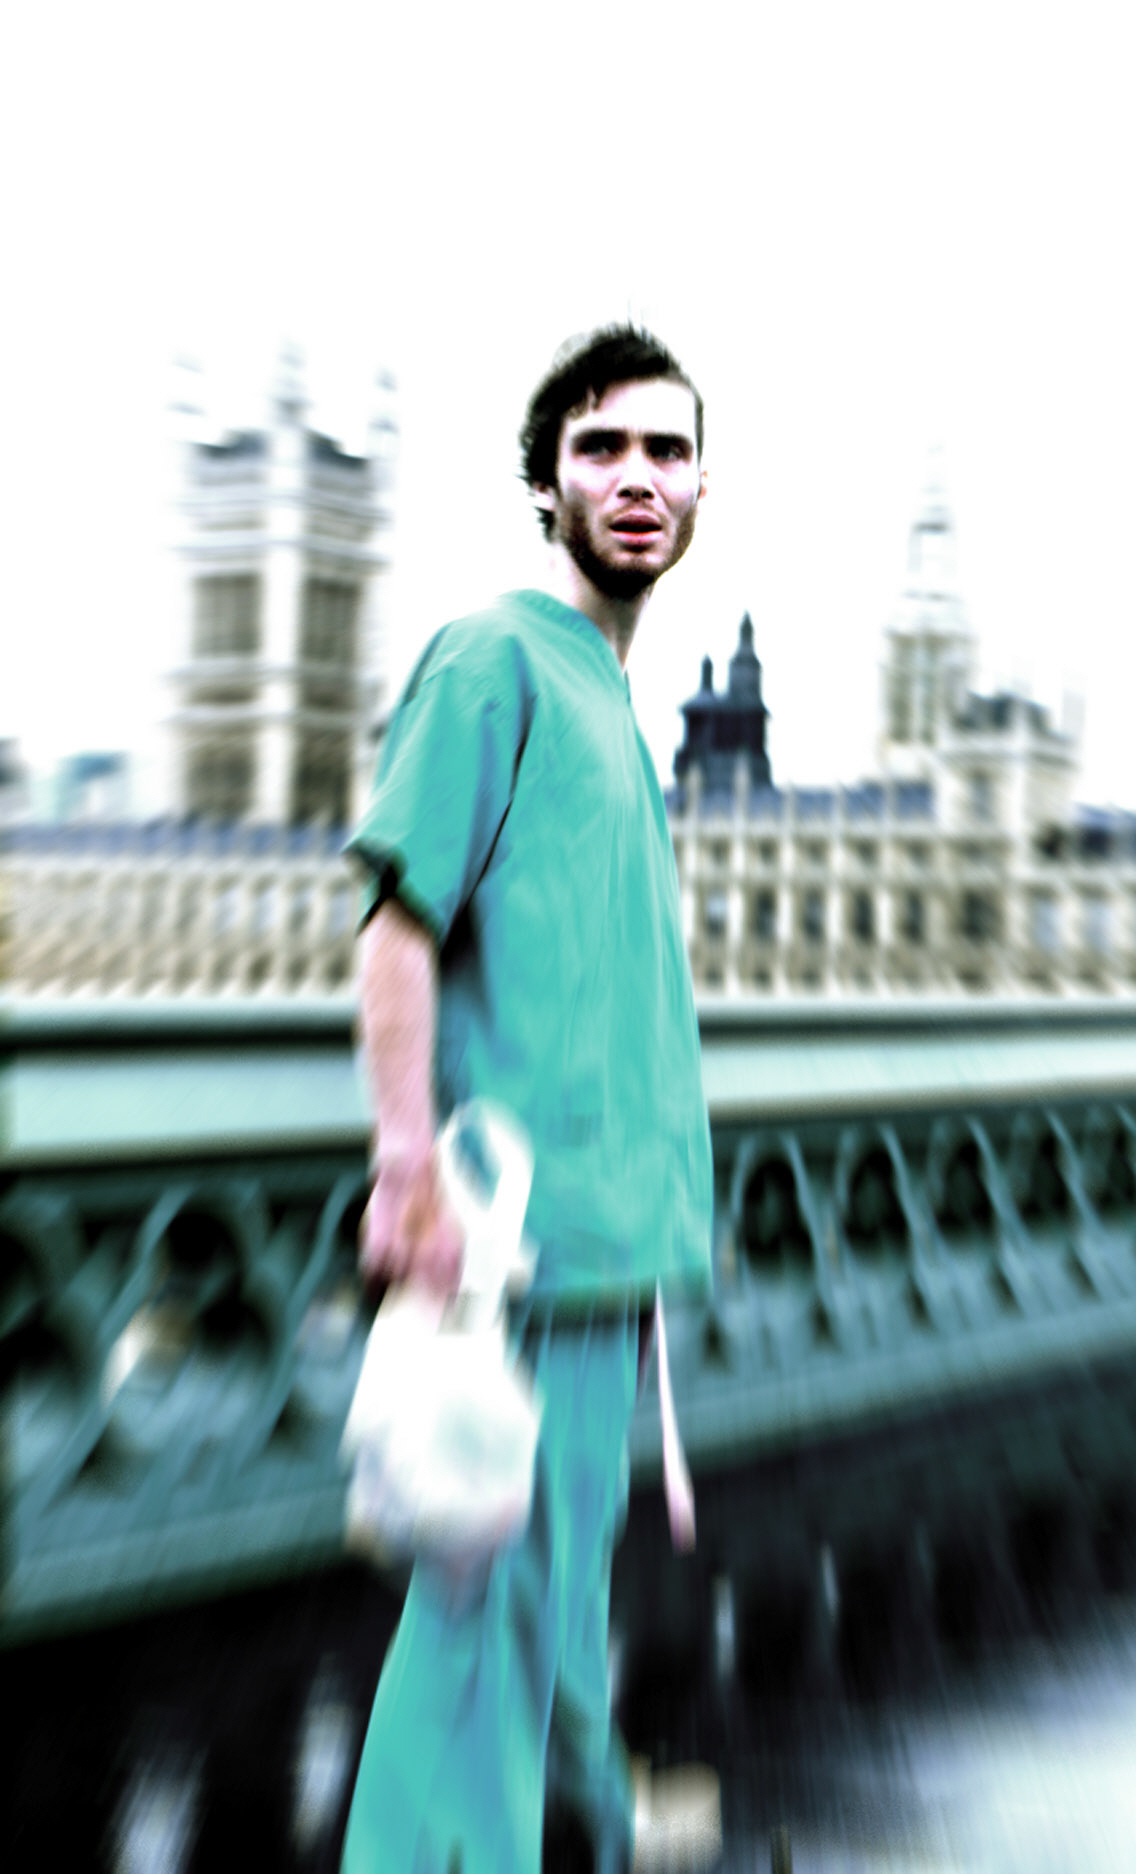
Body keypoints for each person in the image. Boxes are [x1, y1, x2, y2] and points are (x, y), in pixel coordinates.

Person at [340, 325, 716, 1874]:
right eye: (603, 449)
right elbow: (397, 918)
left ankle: (603, 1828)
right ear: (545, 483)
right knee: (480, 1634)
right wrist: (404, 1160)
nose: (639, 480)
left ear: (701, 491)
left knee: (554, 1615)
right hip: (518, 1251)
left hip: (610, 1256)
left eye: (669, 451)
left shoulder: (619, 708)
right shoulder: (494, 657)